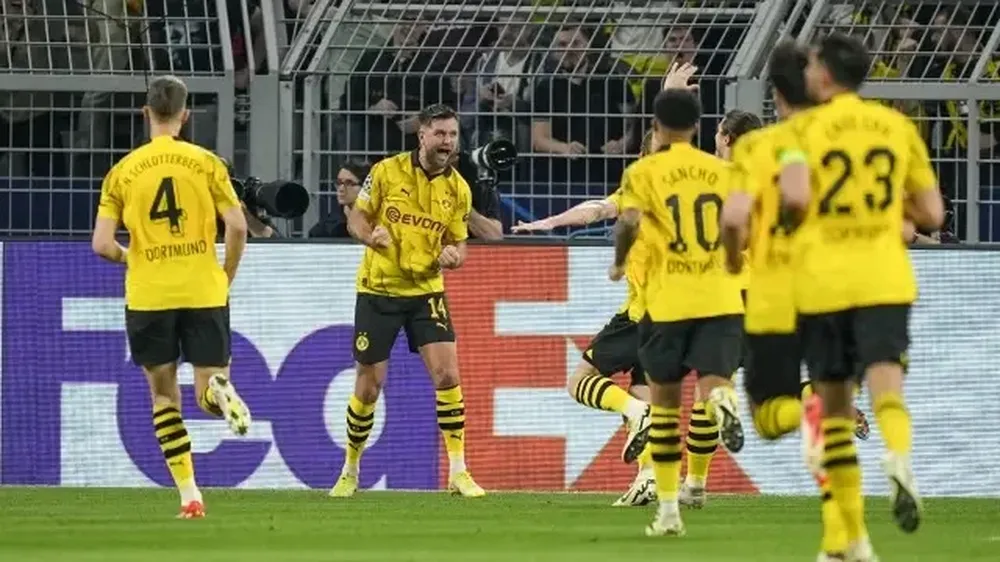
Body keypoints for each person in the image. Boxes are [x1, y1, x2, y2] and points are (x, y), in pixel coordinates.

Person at [779, 33, 944, 561]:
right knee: (886, 389)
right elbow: (934, 214)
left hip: (826, 280)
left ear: (823, 75)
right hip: (885, 278)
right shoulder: (896, 127)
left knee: (833, 410)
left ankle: (844, 535)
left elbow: (797, 198)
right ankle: (897, 459)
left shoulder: (801, 129)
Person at [510, 63, 701, 509]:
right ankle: (649, 478)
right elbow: (597, 207)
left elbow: (599, 208)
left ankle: (637, 418)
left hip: (644, 313)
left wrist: (668, 95)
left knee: (581, 383)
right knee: (643, 394)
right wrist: (552, 221)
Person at [90, 75, 252, 519]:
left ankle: (190, 495)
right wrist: (225, 276)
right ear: (185, 115)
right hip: (203, 288)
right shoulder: (206, 163)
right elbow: (237, 226)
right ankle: (219, 393)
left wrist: (130, 256)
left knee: (164, 398)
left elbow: (102, 244)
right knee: (204, 392)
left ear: (146, 113)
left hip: (149, 294)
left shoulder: (121, 172)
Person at [330, 104, 485, 498]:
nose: (448, 142)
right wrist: (370, 237)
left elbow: (459, 245)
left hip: (426, 291)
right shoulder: (385, 172)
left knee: (448, 376)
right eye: (440, 134)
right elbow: (356, 219)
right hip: (379, 290)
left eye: (453, 135)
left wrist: (455, 256)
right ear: (422, 135)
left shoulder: (459, 190)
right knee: (369, 386)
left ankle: (459, 471)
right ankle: (350, 469)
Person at [612, 88, 744, 537]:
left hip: (669, 299)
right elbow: (736, 226)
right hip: (721, 297)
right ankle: (723, 401)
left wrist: (617, 262)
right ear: (699, 127)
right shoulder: (724, 171)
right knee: (713, 384)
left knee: (666, 409)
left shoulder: (644, 171)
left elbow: (628, 222)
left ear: (656, 126)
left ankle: (668, 511)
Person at [308, 161, 371, 238]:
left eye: (349, 183)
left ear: (367, 187)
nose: (341, 189)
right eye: (339, 182)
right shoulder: (324, 230)